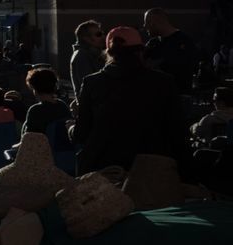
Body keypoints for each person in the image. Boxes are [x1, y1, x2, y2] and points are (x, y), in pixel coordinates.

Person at [73, 25, 190, 176]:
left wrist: (71, 128)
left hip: (104, 168)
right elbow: (177, 130)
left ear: (108, 52)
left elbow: (81, 133)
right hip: (152, 167)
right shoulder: (163, 82)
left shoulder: (92, 83)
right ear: (140, 51)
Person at [143, 8, 199, 95]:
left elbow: (187, 68)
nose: (145, 26)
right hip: (157, 97)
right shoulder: (152, 43)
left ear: (157, 20)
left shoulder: (184, 41)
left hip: (179, 97)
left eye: (147, 22)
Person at [20, 67, 72, 136]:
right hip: (62, 146)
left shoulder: (35, 110)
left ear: (35, 89)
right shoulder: (62, 106)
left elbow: (28, 138)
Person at [69, 20, 106, 98]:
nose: (103, 37)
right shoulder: (81, 56)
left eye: (103, 33)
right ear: (86, 38)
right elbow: (89, 86)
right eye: (98, 34)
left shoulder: (96, 54)